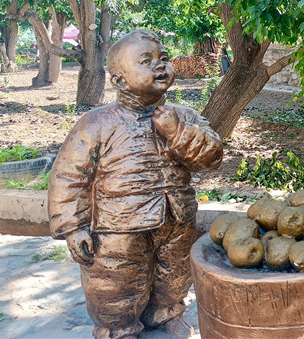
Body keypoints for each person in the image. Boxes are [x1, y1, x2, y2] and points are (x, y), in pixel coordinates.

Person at [48, 29, 224, 339]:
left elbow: (211, 157)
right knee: (114, 280)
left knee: (175, 272)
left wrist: (178, 132)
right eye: (146, 61)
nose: (160, 65)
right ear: (119, 80)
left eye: (164, 58)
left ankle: (167, 312)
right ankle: (117, 327)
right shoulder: (97, 123)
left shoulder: (185, 117)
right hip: (118, 227)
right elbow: (69, 176)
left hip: (176, 218)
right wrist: (73, 227)